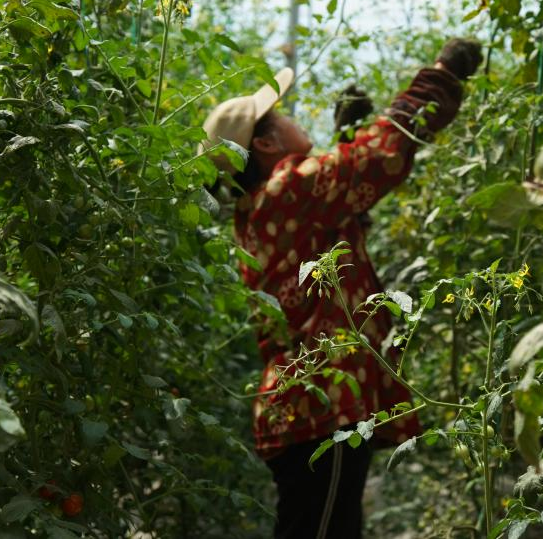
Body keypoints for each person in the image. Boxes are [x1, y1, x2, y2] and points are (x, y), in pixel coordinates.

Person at [201, 39, 483, 539]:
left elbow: (336, 214)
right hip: (320, 405)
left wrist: (344, 136)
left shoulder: (264, 208)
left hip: (309, 405)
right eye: (282, 116)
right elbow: (376, 159)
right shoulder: (287, 190)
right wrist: (440, 76)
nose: (293, 119)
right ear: (266, 144)